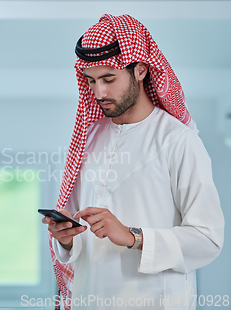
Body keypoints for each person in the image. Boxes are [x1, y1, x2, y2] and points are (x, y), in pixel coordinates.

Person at [41, 14, 225, 310]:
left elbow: (208, 240)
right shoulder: (89, 139)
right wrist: (65, 238)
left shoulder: (178, 141)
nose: (99, 92)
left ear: (140, 70)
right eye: (91, 81)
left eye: (108, 79)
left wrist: (132, 236)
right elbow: (76, 228)